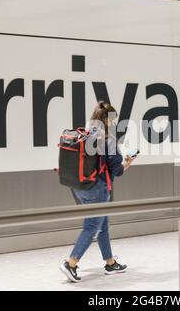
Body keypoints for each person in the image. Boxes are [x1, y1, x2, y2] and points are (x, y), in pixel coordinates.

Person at [60, 101, 135, 283]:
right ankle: (71, 263)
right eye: (113, 121)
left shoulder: (86, 134)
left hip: (79, 187)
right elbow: (117, 170)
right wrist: (129, 161)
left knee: (103, 223)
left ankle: (110, 263)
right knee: (92, 226)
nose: (114, 124)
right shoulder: (108, 140)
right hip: (97, 189)